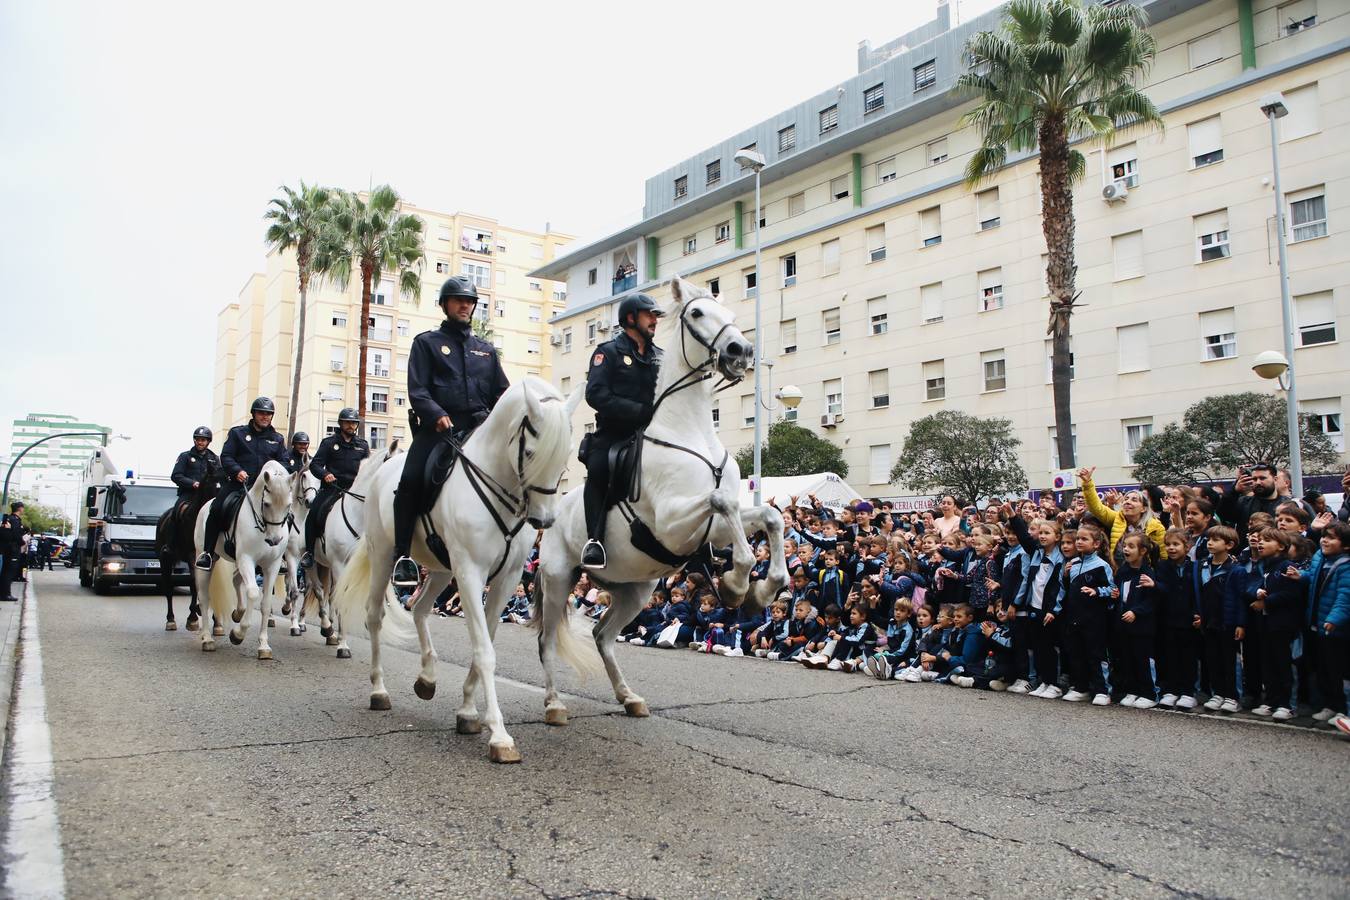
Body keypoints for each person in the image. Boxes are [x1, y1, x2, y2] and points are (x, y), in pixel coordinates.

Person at [392, 276, 510, 587]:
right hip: (440, 429)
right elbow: (417, 391)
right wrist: (436, 415)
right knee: (409, 480)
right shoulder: (426, 343)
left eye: (469, 301)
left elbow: (503, 393)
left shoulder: (485, 350)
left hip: (480, 428)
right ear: (445, 305)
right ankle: (402, 555)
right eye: (458, 300)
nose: (465, 305)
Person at [580, 292, 663, 569]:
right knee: (599, 468)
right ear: (630, 318)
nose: (655, 320)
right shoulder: (609, 352)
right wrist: (639, 411)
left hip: (654, 436)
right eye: (649, 314)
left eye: (656, 316)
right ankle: (594, 541)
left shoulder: (661, 357)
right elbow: (596, 394)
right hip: (615, 434)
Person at [196, 397, 288, 569]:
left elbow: (284, 462)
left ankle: (281, 555)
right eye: (261, 413)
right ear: (253, 414)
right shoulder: (237, 433)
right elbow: (227, 456)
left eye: (269, 414)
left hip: (266, 488)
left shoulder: (277, 439)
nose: (265, 417)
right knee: (216, 508)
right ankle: (208, 553)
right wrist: (237, 471)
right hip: (239, 484)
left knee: (284, 512)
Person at [300, 409, 369, 569]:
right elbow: (315, 464)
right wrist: (325, 474)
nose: (351, 425)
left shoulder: (362, 445)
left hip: (354, 490)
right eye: (347, 422)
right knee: (314, 513)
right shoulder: (329, 443)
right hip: (332, 488)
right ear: (340, 423)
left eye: (353, 423)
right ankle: (309, 553)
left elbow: (367, 467)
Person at [1218, 462, 1290, 536]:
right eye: (1254, 479)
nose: (1258, 482)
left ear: (1275, 479)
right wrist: (1234, 491)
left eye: (1262, 478)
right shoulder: (1243, 503)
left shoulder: (1287, 505)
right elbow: (1224, 514)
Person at [171, 426, 219, 500]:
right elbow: (176, 475)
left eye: (203, 440)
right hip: (188, 493)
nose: (199, 442)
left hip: (209, 495)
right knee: (179, 508)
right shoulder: (185, 456)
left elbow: (219, 476)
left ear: (208, 441)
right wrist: (193, 483)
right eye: (197, 440)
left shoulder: (214, 458)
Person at [0, 502, 26, 600]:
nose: (23, 510)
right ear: (20, 509)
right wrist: (23, 542)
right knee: (9, 572)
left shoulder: (9, 519)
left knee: (5, 571)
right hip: (12, 549)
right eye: (23, 508)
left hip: (7, 549)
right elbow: (16, 535)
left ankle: (3, 593)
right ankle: (6, 594)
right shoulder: (15, 520)